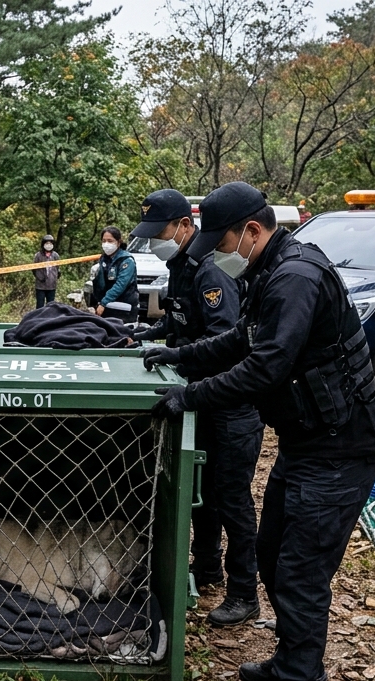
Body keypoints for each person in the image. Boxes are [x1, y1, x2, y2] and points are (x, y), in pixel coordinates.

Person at [144, 182, 375, 681]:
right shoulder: (268, 270)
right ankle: (292, 662)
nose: (214, 250)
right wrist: (178, 356)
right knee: (275, 557)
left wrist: (191, 396)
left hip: (339, 449)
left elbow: (266, 366)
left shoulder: (295, 278)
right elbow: (239, 340)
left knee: (300, 574)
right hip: (306, 442)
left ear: (252, 231)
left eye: (222, 239)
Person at [130, 189, 264, 626]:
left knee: (232, 500)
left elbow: (225, 339)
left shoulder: (212, 271)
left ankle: (244, 591)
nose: (156, 241)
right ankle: (207, 570)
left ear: (185, 227)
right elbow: (181, 321)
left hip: (230, 403)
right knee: (201, 494)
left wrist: (181, 355)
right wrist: (151, 336)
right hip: (201, 396)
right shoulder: (180, 266)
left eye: (162, 232)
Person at [92, 226, 138, 322]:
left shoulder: (126, 260)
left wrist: (104, 303)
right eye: (104, 241)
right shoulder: (104, 259)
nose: (106, 244)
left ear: (118, 242)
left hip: (125, 306)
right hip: (107, 304)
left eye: (110, 241)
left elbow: (120, 284)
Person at [33, 234, 60, 308]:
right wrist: (40, 277)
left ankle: (49, 319)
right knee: (39, 306)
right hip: (40, 286)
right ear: (43, 244)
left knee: (51, 306)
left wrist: (54, 278)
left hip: (52, 286)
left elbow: (58, 268)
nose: (49, 245)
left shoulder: (55, 255)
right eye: (47, 243)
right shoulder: (38, 255)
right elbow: (34, 269)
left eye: (50, 243)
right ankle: (39, 319)